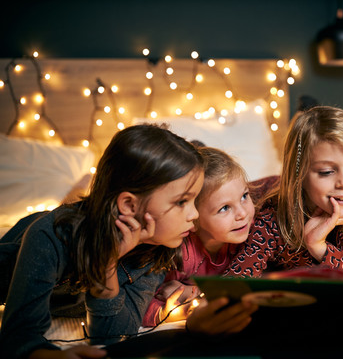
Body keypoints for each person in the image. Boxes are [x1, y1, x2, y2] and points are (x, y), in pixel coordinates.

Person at [0, 125, 253, 359]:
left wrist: (106, 268)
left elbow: (113, 336)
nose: (194, 215)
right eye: (181, 202)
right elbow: (18, 337)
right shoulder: (50, 237)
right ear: (129, 205)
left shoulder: (156, 252)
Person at [225, 105, 343, 281]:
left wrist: (319, 247)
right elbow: (236, 280)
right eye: (327, 172)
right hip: (264, 187)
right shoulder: (272, 216)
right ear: (300, 176)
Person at [142, 146, 257, 327]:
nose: (243, 213)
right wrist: (163, 313)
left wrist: (190, 291)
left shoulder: (253, 233)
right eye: (224, 208)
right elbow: (140, 303)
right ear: (193, 218)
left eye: (244, 196)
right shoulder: (179, 253)